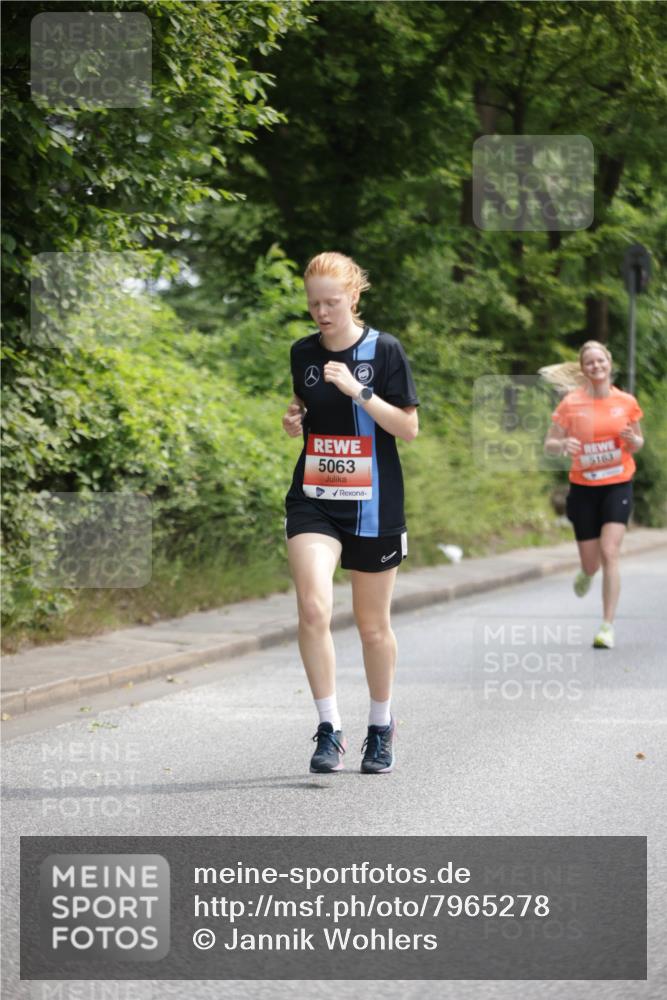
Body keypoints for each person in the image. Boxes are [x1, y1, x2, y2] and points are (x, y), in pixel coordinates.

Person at [282, 251, 419, 774]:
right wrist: (295, 417)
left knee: (371, 626)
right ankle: (328, 728)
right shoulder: (302, 353)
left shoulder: (385, 350)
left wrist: (358, 389)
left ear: (354, 298)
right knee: (314, 609)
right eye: (314, 303)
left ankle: (381, 727)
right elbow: (303, 404)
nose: (321, 312)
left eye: (331, 302)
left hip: (373, 505)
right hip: (314, 498)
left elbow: (407, 428)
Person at [541, 340, 644, 649]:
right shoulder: (571, 403)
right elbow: (549, 444)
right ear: (583, 368)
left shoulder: (626, 401)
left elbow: (638, 441)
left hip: (617, 483)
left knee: (610, 552)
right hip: (583, 488)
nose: (596, 366)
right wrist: (563, 446)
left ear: (609, 363)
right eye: (590, 363)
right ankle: (587, 573)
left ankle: (607, 626)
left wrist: (633, 440)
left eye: (600, 361)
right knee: (591, 563)